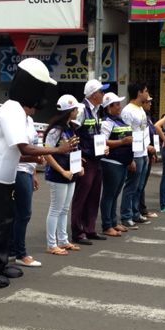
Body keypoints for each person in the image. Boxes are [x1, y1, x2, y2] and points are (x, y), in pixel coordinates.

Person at [0, 58, 72, 288]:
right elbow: (23, 147)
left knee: (5, 222)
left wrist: (34, 157)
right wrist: (58, 149)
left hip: (5, 176)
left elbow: (18, 152)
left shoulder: (17, 110)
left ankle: (0, 263)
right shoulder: (11, 110)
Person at [71, 79, 109, 245]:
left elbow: (96, 133)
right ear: (94, 94)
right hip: (85, 158)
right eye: (102, 92)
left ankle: (90, 229)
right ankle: (78, 232)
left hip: (97, 157)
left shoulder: (96, 110)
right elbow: (71, 131)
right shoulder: (81, 110)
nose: (104, 95)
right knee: (81, 196)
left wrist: (103, 147)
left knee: (94, 195)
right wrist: (77, 155)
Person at [44, 95, 83, 255]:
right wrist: (62, 171)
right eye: (75, 109)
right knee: (56, 209)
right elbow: (47, 153)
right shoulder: (55, 130)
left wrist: (78, 166)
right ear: (70, 111)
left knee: (65, 209)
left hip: (70, 173)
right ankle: (51, 244)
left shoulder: (70, 128)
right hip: (58, 174)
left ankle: (63, 240)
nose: (77, 111)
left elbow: (73, 151)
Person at [10, 94, 44, 269]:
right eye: (32, 105)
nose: (35, 108)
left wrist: (34, 173)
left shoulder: (29, 121)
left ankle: (13, 250)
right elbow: (21, 150)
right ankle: (20, 253)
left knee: (19, 214)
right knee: (23, 214)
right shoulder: (17, 121)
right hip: (18, 170)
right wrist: (40, 157)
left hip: (27, 170)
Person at [99, 92, 134, 236]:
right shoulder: (106, 123)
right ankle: (107, 225)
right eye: (117, 104)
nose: (120, 107)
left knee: (115, 194)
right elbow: (102, 141)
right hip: (111, 162)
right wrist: (122, 142)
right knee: (109, 194)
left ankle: (113, 221)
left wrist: (130, 159)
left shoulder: (119, 120)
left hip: (122, 162)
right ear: (109, 107)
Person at [120, 82, 152, 228]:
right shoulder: (128, 111)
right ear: (139, 92)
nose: (147, 94)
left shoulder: (141, 109)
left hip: (143, 151)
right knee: (131, 186)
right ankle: (126, 216)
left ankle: (135, 212)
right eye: (145, 90)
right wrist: (130, 157)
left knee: (139, 186)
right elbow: (126, 134)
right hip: (134, 153)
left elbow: (144, 131)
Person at [139, 97, 159, 219]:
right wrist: (147, 148)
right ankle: (139, 210)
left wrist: (154, 152)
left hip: (149, 152)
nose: (150, 104)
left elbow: (152, 134)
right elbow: (139, 137)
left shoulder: (148, 117)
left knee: (142, 184)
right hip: (143, 151)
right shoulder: (141, 117)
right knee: (138, 185)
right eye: (148, 102)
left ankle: (142, 209)